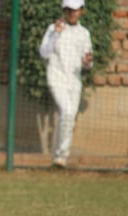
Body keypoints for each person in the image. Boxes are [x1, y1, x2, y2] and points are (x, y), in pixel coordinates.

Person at [39, 0, 93, 169]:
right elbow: (44, 53)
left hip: (74, 80)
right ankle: (61, 156)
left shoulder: (84, 33)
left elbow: (88, 62)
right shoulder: (53, 28)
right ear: (63, 11)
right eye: (68, 10)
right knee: (67, 111)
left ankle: (60, 157)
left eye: (75, 10)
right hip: (56, 77)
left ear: (81, 11)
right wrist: (56, 33)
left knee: (69, 116)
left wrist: (87, 62)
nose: (72, 13)